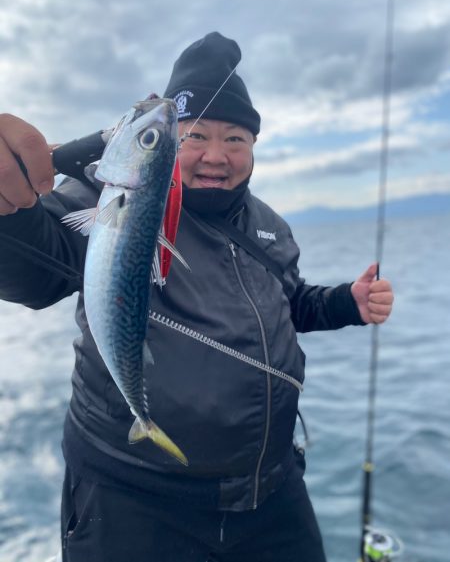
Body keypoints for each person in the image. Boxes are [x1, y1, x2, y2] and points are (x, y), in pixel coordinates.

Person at [0, 32, 393, 562]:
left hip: (271, 494)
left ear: (254, 148)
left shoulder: (269, 227)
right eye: (195, 135)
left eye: (235, 139)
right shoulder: (107, 201)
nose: (216, 155)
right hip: (135, 505)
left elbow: (290, 304)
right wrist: (9, 208)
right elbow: (33, 267)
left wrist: (348, 301)